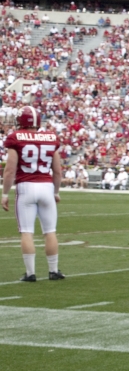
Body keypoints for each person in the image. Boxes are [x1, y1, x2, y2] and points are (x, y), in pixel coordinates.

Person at [1, 106, 65, 281]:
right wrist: (56, 191)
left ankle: (30, 273)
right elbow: (57, 171)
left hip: (26, 187)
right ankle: (54, 271)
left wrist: (5, 194)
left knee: (27, 231)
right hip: (46, 186)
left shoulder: (15, 137)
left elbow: (10, 170)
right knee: (50, 231)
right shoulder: (51, 138)